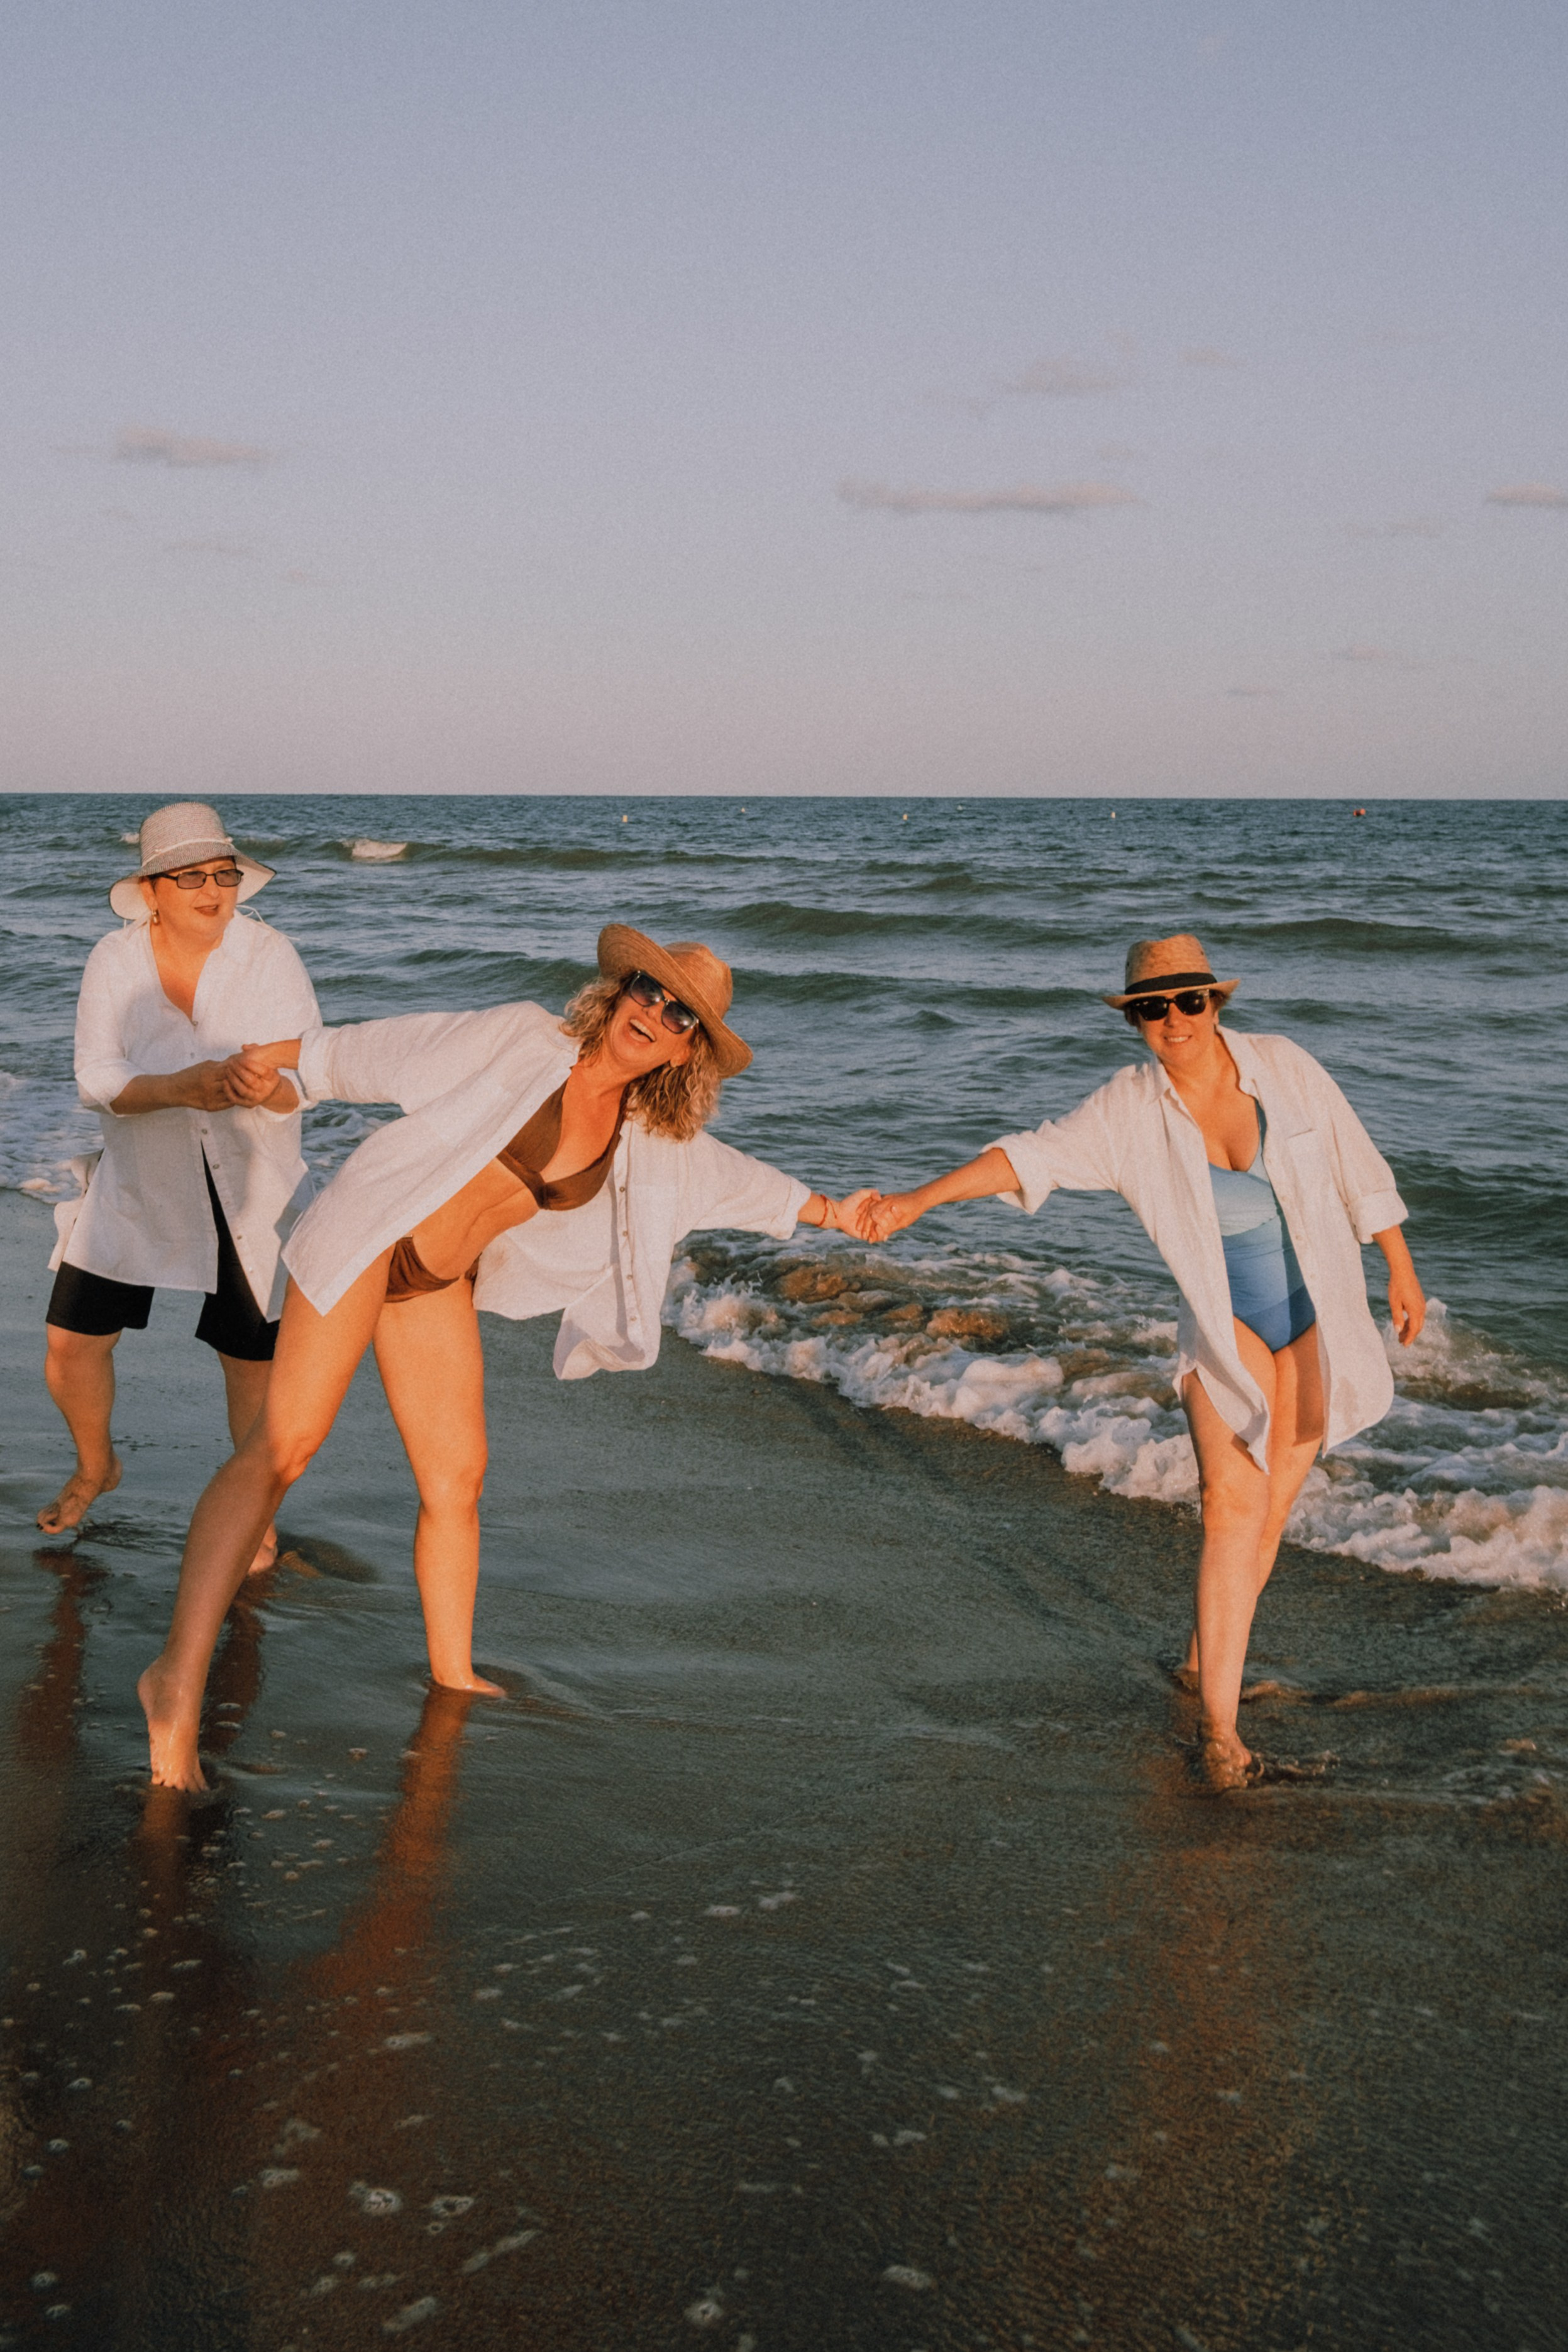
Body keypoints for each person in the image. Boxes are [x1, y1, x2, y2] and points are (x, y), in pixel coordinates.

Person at [138, 926, 875, 1789]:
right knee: (285, 1446)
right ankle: (176, 1682)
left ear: (688, 1049)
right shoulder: (526, 1037)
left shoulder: (647, 1136)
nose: (655, 1011)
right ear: (620, 989)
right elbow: (386, 1049)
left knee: (458, 1481)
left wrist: (835, 1209)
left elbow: (736, 1181)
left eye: (680, 1014)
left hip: (434, 1282)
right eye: (648, 988)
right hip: (371, 1233)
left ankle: (452, 1671)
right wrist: (277, 1056)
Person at [857, 932, 1425, 1790]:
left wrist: (1399, 1264)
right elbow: (1029, 1156)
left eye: (1188, 1000)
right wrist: (916, 1199)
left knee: (1270, 1516)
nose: (1174, 1019)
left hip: (1318, 1312)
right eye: (1152, 1007)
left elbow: (1355, 1160)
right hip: (1225, 1324)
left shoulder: (1283, 1065)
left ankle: (1204, 1659)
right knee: (1230, 1510)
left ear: (1214, 1002)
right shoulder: (1128, 1108)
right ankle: (1220, 1728)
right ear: (1135, 1019)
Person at [40, 802, 321, 1571]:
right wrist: (182, 1087)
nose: (211, 890)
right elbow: (96, 1078)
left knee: (248, 1365)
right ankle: (98, 1465)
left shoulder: (269, 954)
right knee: (69, 1346)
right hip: (140, 1181)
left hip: (247, 1187)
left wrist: (263, 1087)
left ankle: (255, 1518)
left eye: (223, 874)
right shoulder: (115, 959)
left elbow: (307, 1078)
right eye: (189, 876)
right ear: (152, 890)